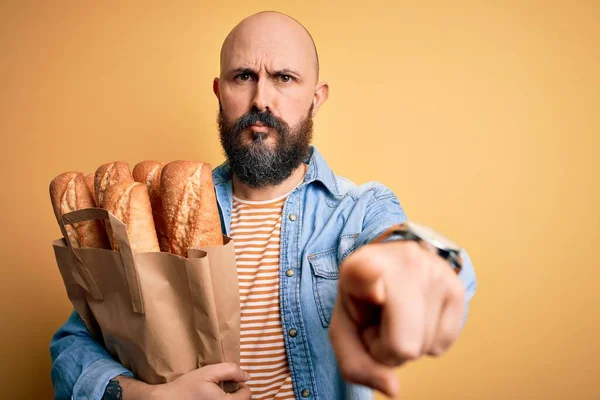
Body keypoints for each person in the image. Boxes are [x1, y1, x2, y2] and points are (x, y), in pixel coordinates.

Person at [50, 11, 477, 400]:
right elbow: (73, 344)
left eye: (285, 78)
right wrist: (147, 397)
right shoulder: (160, 212)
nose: (261, 99)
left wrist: (419, 262)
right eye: (243, 76)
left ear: (317, 97)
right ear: (219, 92)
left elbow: (407, 249)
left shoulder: (358, 210)